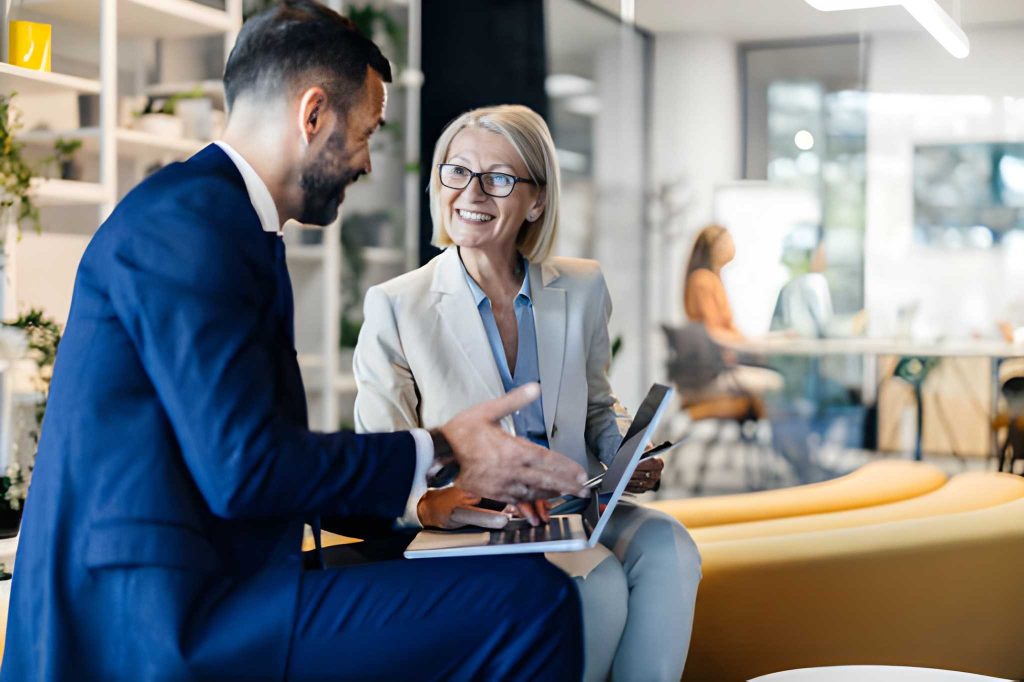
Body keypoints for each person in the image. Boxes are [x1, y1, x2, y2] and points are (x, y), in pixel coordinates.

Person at [1, 4, 591, 680]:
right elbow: (245, 469)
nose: (367, 162)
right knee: (531, 602)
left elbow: (255, 463)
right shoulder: (190, 225)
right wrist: (445, 448)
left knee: (492, 571)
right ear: (313, 115)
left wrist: (430, 503)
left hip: (207, 577)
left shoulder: (220, 221)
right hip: (151, 617)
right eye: (366, 133)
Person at [353, 104, 703, 681]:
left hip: (573, 504)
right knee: (597, 582)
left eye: (499, 179)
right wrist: (429, 505)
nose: (472, 192)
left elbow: (595, 404)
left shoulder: (582, 285)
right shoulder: (396, 305)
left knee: (670, 548)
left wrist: (623, 454)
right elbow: (380, 456)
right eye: (457, 171)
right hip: (477, 523)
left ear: (536, 201)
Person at [683, 224, 783, 396]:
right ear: (714, 248)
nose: (732, 246)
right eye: (727, 241)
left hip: (720, 362)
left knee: (771, 372)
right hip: (712, 369)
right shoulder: (703, 280)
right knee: (775, 382)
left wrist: (755, 340)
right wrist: (750, 343)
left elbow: (726, 328)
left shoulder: (712, 279)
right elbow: (712, 332)